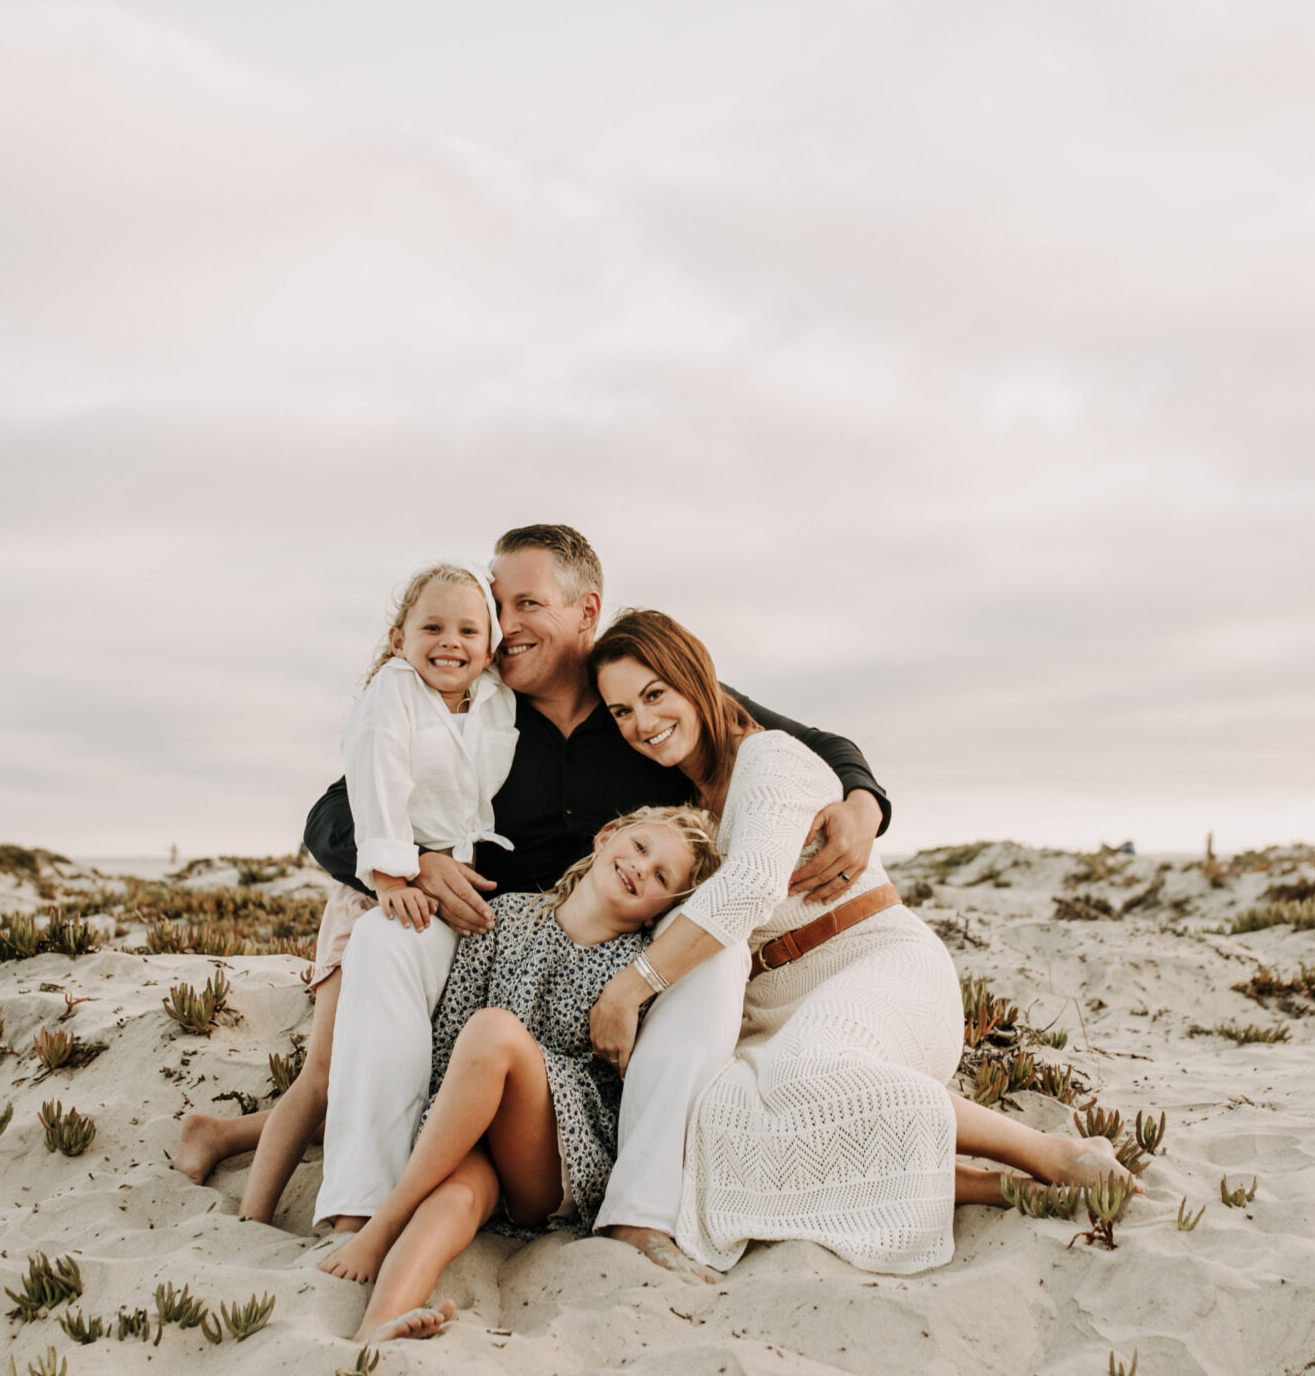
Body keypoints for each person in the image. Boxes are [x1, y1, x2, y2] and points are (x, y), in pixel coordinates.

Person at [303, 523, 891, 1276]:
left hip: (631, 937)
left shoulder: (639, 694)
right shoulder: (470, 704)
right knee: (389, 936)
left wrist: (863, 798)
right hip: (499, 935)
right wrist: (413, 863)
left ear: (586, 612)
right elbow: (330, 816)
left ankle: (639, 1218)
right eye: (496, 604)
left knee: (713, 957)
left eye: (526, 604)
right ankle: (357, 1203)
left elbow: (809, 742)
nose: (503, 627)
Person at [587, 610, 1137, 1274]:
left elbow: (754, 887)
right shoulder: (686, 805)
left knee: (806, 1071)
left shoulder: (769, 757)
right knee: (720, 1118)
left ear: (695, 681)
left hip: (879, 966)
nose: (641, 724)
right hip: (776, 1011)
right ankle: (997, 1189)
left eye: (653, 695)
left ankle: (1049, 1155)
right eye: (620, 712)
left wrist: (629, 988)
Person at [172, 559, 515, 1219]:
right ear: (397, 639)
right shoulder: (392, 696)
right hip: (372, 900)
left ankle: (221, 1134)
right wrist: (391, 870)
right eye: (433, 626)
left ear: (490, 646)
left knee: (365, 1077)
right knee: (325, 1076)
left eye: (469, 629)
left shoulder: (487, 698)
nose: (451, 640)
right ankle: (252, 1215)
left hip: (425, 907)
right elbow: (378, 778)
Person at [317, 805, 722, 1341]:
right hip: (477, 1139)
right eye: (641, 848)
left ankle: (384, 1222)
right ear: (605, 838)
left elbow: (615, 1083)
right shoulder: (503, 917)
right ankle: (381, 1322)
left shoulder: (638, 971)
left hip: (553, 1158)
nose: (641, 869)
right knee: (457, 1198)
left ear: (656, 913)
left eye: (662, 877)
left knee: (494, 1031)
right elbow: (449, 1036)